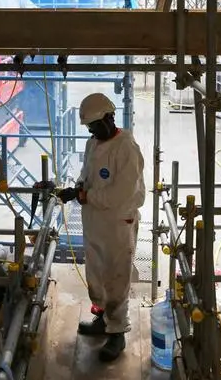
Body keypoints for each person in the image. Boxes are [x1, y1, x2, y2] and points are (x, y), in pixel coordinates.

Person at [57, 92, 145, 362]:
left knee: (117, 276)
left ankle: (117, 331)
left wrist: (86, 197)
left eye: (95, 126)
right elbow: (88, 175)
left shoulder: (126, 148)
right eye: (89, 128)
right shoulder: (93, 143)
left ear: (109, 118)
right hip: (94, 221)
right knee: (96, 273)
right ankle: (102, 319)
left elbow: (122, 194)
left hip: (118, 223)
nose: (92, 132)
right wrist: (77, 189)